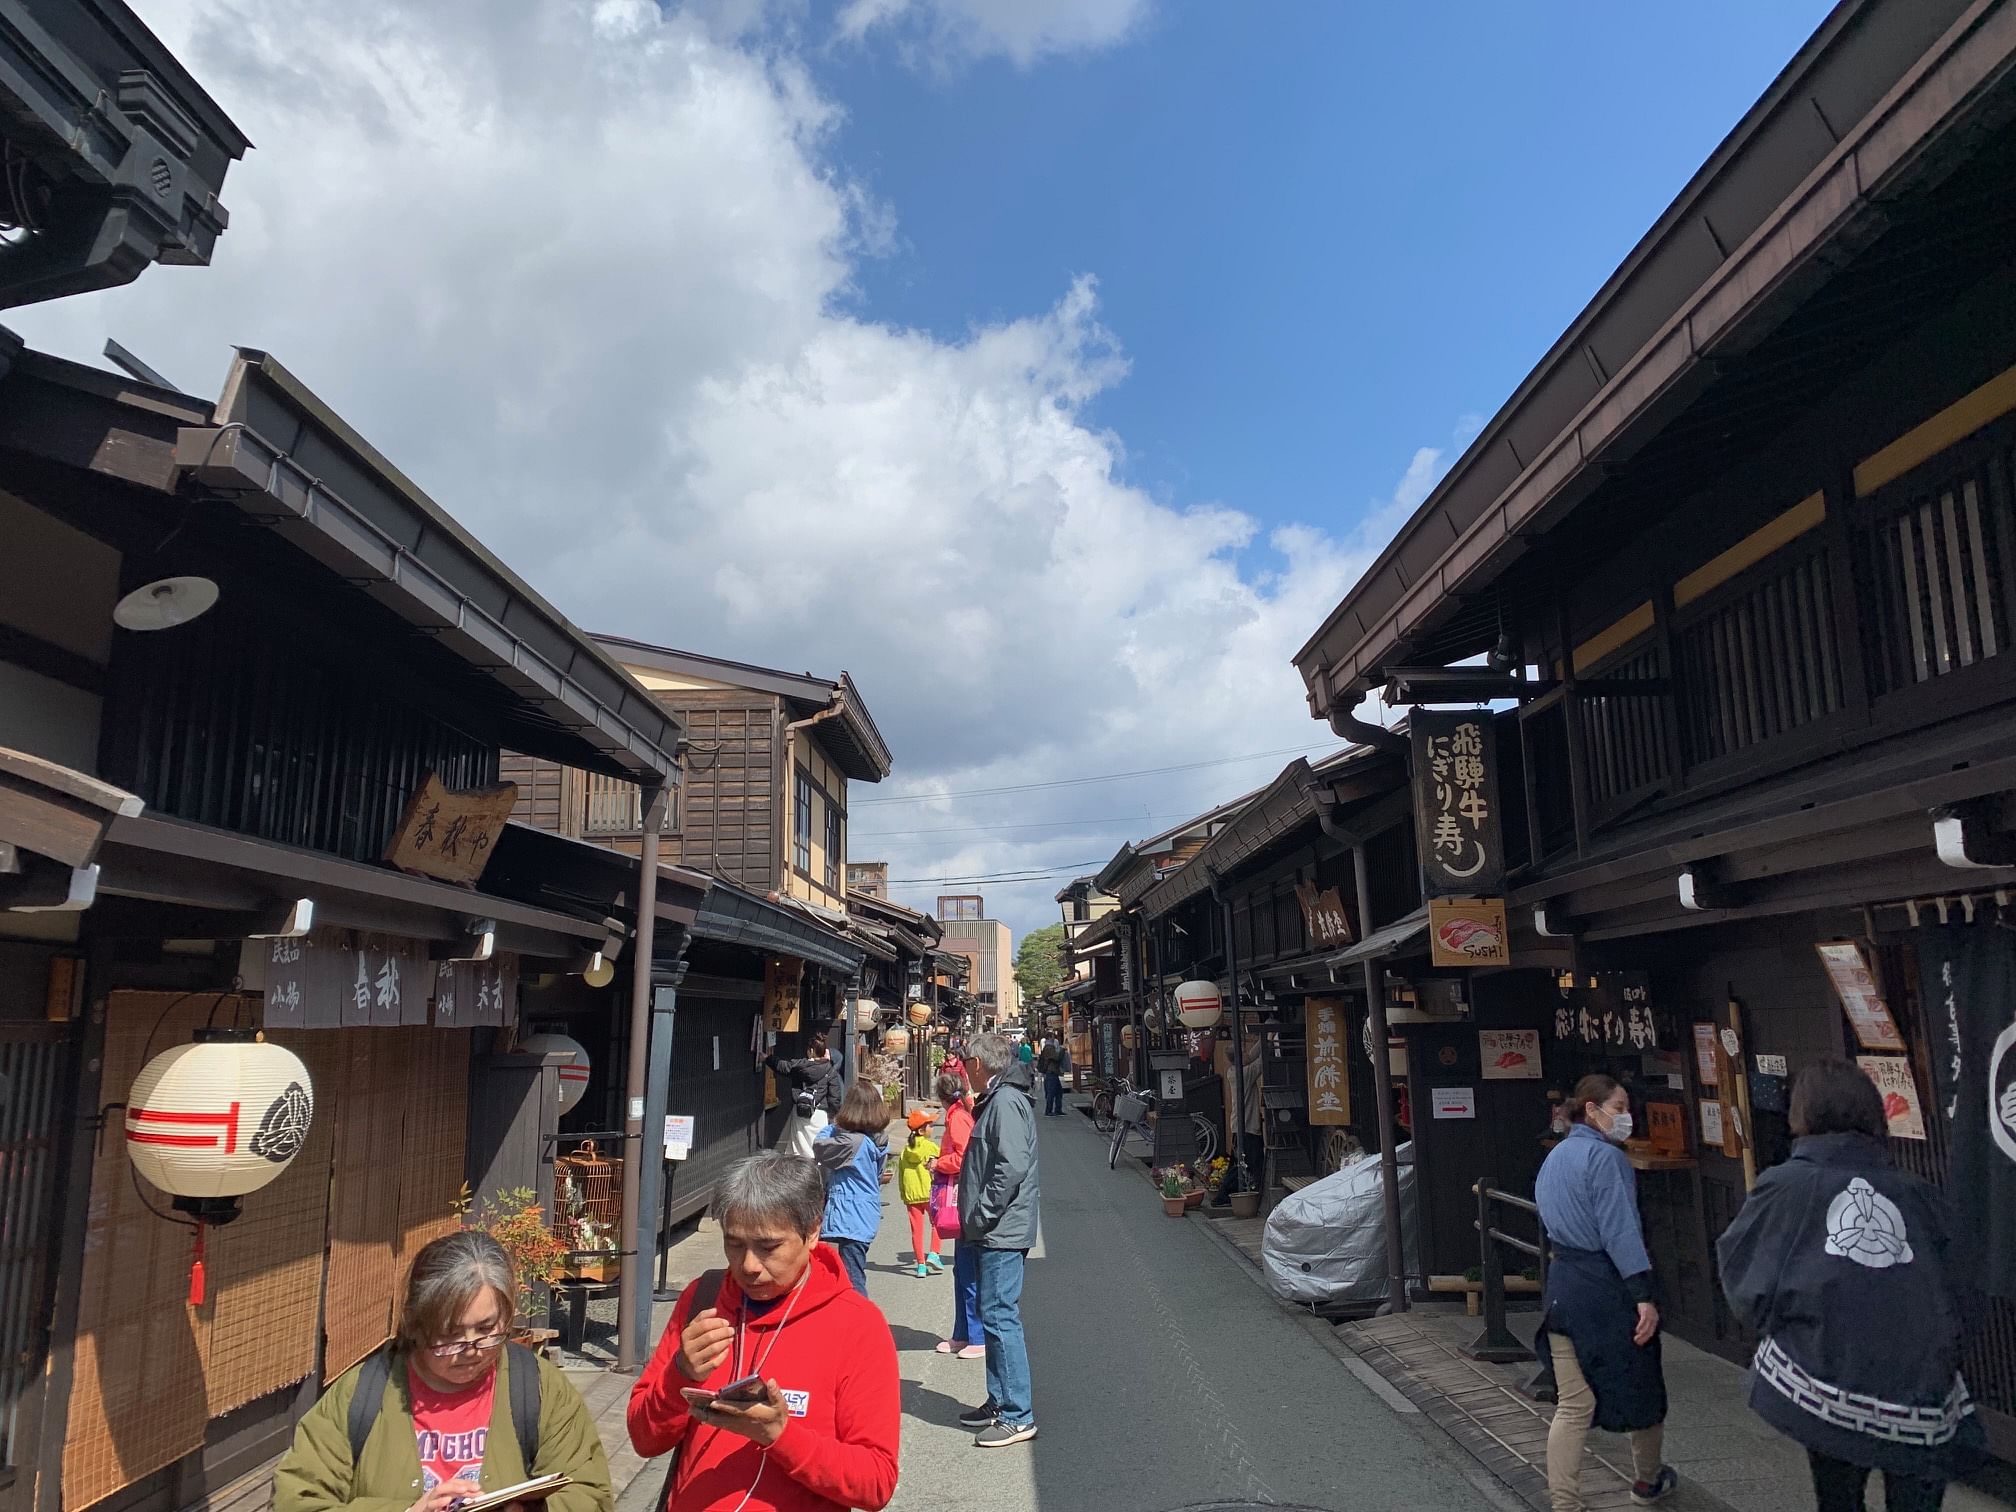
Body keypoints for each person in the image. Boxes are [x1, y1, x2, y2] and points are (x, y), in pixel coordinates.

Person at [1717, 1060, 1980, 1512]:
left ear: (1802, 1113)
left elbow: (1746, 1279)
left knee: (1838, 1499)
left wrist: (1792, 1331)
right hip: (1922, 1384)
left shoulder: (1786, 1187)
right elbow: (1960, 1286)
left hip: (1828, 1376)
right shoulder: (1915, 1191)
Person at [629, 1151, 900, 1512]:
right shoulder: (703, 1299)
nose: (749, 1266)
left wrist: (782, 1436)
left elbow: (875, 1483)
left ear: (813, 1231)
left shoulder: (857, 1324)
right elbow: (643, 1439)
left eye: (768, 1247)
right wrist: (679, 1374)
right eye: (734, 1244)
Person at [274, 1231, 612, 1512]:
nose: (471, 1350)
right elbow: (297, 1499)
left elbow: (590, 1490)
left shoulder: (537, 1387)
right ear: (416, 1324)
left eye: (487, 1329)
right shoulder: (362, 1392)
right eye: (450, 1335)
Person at [1534, 1074, 1676, 1512]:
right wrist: (1643, 1293)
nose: (1625, 1117)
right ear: (1591, 1110)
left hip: (1562, 1283)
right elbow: (1621, 1232)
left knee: (1574, 1405)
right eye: (1618, 1108)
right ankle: (1646, 1482)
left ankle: (1564, 1502)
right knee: (1643, 1386)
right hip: (1606, 1285)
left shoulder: (1554, 1159)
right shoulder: (1607, 1159)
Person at [956, 1032, 1040, 1448]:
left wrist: (982, 1212)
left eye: (963, 1063)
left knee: (1000, 1316)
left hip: (1001, 1229)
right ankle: (1000, 1400)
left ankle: (1017, 1415)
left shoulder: (1005, 1102)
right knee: (992, 1314)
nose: (961, 1071)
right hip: (996, 1227)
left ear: (976, 1063)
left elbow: (1011, 1165)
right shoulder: (1002, 1098)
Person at [813, 1078, 892, 1296]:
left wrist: (833, 1126)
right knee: (853, 1272)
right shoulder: (878, 1140)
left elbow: (819, 1147)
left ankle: (859, 1323)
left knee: (851, 1279)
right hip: (865, 1213)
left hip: (849, 1214)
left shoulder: (852, 1143)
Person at [932, 1070, 986, 1360]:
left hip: (963, 1196)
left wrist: (938, 1162)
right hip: (964, 1196)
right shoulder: (961, 1113)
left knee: (967, 1270)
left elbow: (963, 1156)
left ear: (941, 1097)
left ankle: (975, 1335)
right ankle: (963, 1334)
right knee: (962, 1269)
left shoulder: (957, 1117)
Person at [765, 1033, 840, 1159]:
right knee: (817, 1148)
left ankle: (798, 1173)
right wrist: (834, 1114)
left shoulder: (800, 1066)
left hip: (800, 1110)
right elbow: (835, 1097)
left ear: (811, 1051)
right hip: (819, 1114)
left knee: (798, 1149)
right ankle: (816, 1172)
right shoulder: (830, 1070)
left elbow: (783, 1066)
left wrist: (767, 1058)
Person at [898, 1108, 945, 1277]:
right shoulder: (931, 1147)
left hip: (912, 1195)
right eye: (930, 1125)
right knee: (937, 1224)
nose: (932, 1128)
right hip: (930, 1192)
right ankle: (934, 1253)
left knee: (916, 1231)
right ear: (921, 1130)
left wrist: (903, 1193)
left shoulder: (905, 1151)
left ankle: (921, 1266)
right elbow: (941, 1164)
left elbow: (901, 1173)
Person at [1037, 1036, 1065, 1117]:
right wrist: (1062, 1050)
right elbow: (1056, 1057)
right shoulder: (1049, 1048)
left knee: (1058, 1092)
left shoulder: (1048, 1047)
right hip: (1051, 1072)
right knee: (1051, 1092)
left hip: (1053, 1072)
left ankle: (1057, 1109)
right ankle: (1049, 1110)